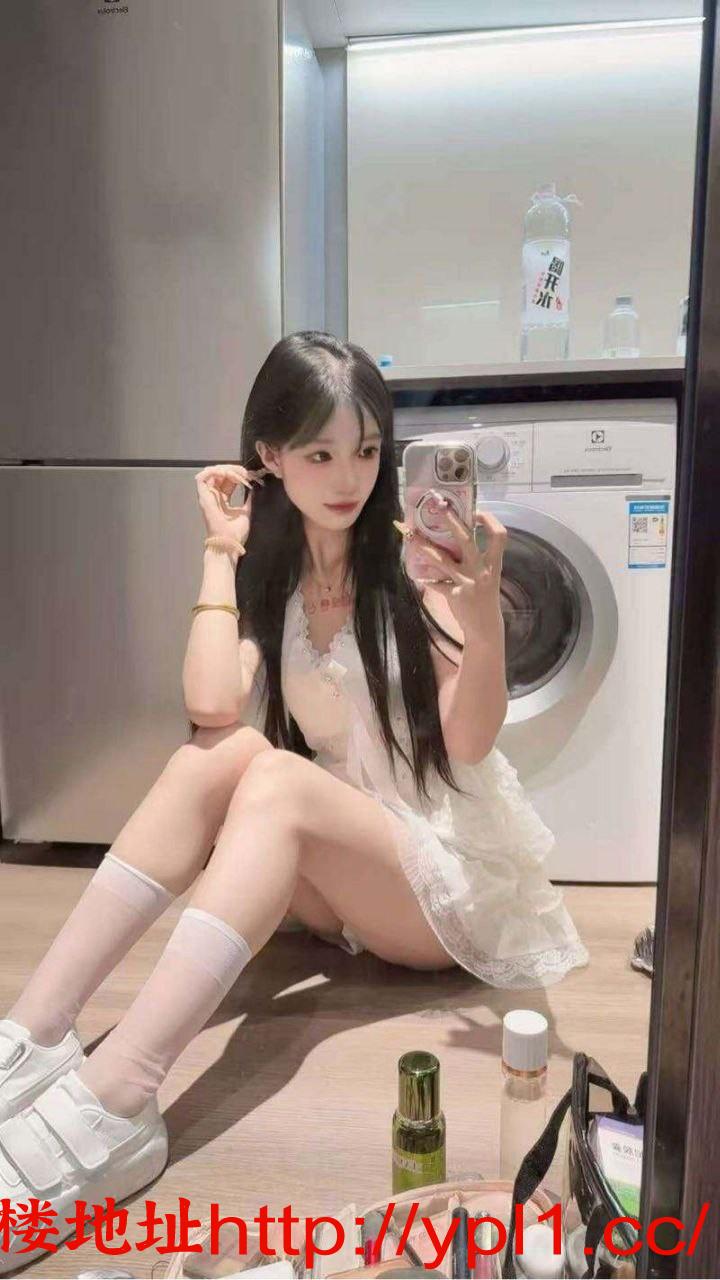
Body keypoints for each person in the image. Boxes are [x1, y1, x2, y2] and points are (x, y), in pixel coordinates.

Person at [0, 332, 588, 1272]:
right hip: (341, 864)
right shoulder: (272, 575)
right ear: (269, 457)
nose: (349, 477)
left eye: (367, 450)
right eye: (320, 453)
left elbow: (469, 744)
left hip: (437, 880)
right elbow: (210, 707)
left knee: (272, 777)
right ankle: (31, 1037)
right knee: (226, 752)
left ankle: (117, 1099)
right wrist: (219, 551)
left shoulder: (413, 567)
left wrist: (481, 620)